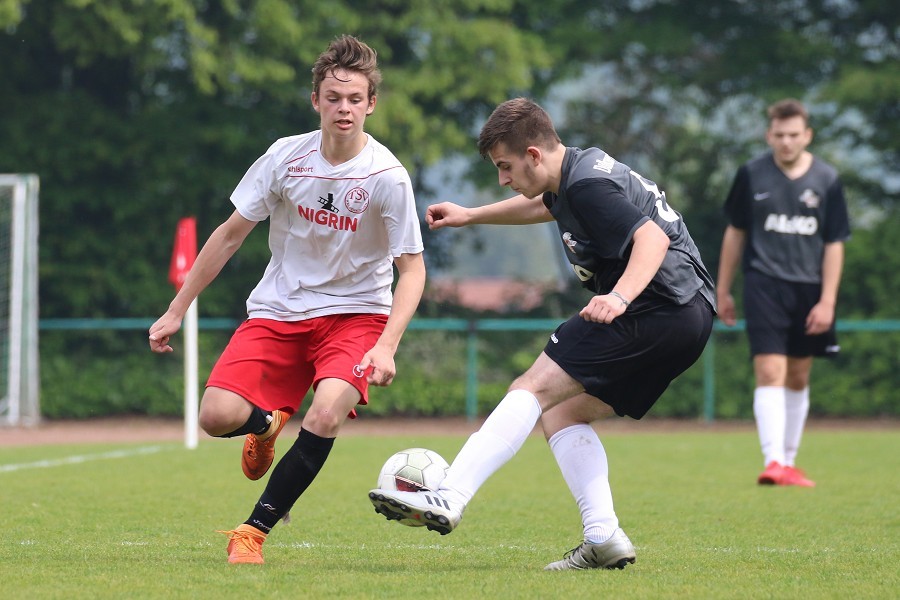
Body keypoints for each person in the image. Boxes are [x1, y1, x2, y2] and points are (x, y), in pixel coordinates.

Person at [367, 97, 716, 570]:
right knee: (564, 415)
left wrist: (619, 298)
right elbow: (544, 206)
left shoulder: (589, 185)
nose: (503, 178)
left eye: (505, 166)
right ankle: (603, 537)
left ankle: (450, 495)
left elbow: (651, 239)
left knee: (530, 387)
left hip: (655, 305)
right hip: (688, 315)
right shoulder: (576, 173)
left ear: (534, 154)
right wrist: (472, 214)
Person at [148, 35, 426, 564]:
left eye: (354, 99)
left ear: (371, 104)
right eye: (333, 97)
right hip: (280, 310)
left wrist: (388, 345)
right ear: (316, 101)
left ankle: (252, 531)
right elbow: (230, 233)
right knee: (215, 415)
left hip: (357, 316)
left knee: (325, 413)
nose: (343, 108)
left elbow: (411, 270)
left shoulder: (388, 178)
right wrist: (177, 308)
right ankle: (265, 424)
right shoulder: (284, 157)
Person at [717, 98, 850, 488]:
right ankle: (773, 461)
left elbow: (835, 243)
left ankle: (789, 461)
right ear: (768, 134)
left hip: (810, 288)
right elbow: (736, 232)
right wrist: (723, 289)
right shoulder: (751, 174)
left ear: (807, 135)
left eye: (794, 135)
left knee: (798, 373)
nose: (787, 142)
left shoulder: (827, 179)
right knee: (769, 369)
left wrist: (828, 300)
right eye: (780, 135)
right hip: (764, 283)